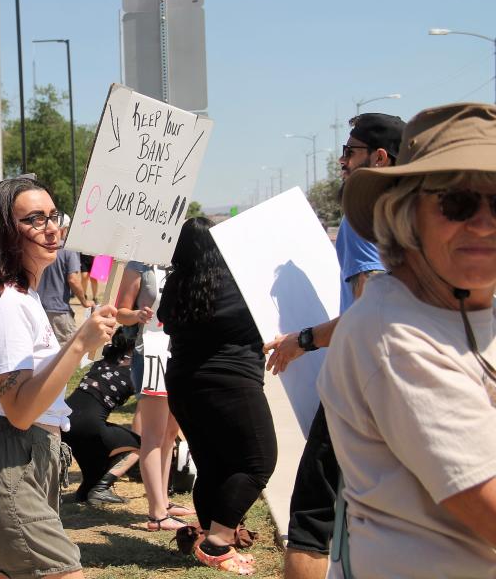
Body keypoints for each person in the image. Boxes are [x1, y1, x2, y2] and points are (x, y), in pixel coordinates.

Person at [318, 102, 496, 577]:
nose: (483, 223)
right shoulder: (396, 333)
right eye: (457, 203)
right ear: (406, 212)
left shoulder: (472, 306)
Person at [262, 113, 404, 579]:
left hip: (364, 385)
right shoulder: (424, 212)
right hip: (422, 379)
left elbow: (370, 309)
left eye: (350, 152)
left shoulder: (366, 214)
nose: (341, 161)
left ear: (378, 157)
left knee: (312, 518)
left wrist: (303, 339)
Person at [0, 176, 116, 579]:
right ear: (5, 233)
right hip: (9, 462)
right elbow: (21, 410)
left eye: (53, 216)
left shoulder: (23, 299)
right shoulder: (4, 304)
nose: (51, 228)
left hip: (26, 462)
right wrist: (78, 343)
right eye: (34, 219)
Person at [160, 217, 277, 575]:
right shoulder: (237, 284)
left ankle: (208, 535)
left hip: (183, 385)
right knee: (258, 463)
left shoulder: (176, 284)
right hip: (231, 384)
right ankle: (218, 541)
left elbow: (164, 317)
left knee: (211, 464)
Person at [116, 260, 189, 531]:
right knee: (154, 435)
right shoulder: (139, 266)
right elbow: (120, 312)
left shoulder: (181, 260)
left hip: (179, 351)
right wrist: (136, 316)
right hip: (151, 351)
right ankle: (157, 513)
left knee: (171, 431)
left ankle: (163, 500)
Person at [62, 328, 140, 506]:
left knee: (93, 471)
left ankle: (87, 492)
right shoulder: (133, 372)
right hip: (89, 425)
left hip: (65, 421)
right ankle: (101, 489)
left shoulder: (103, 359)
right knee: (141, 446)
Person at [36, 213, 94, 345]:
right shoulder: (68, 249)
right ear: (63, 229)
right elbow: (73, 280)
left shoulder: (40, 247)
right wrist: (84, 302)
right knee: (66, 352)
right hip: (59, 311)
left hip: (39, 308)